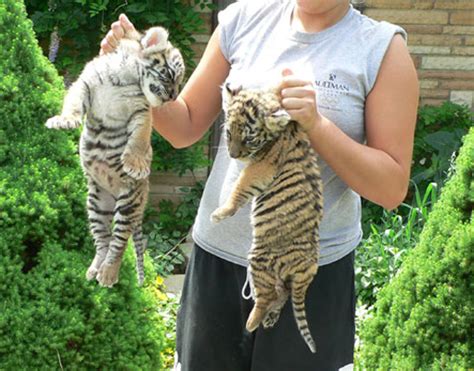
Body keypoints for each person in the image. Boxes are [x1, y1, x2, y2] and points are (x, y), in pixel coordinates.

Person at [101, 0, 418, 369]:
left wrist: (317, 125)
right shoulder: (243, 19)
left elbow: (391, 187)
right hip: (216, 266)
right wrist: (138, 74)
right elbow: (184, 125)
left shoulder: (381, 49)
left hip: (307, 278)